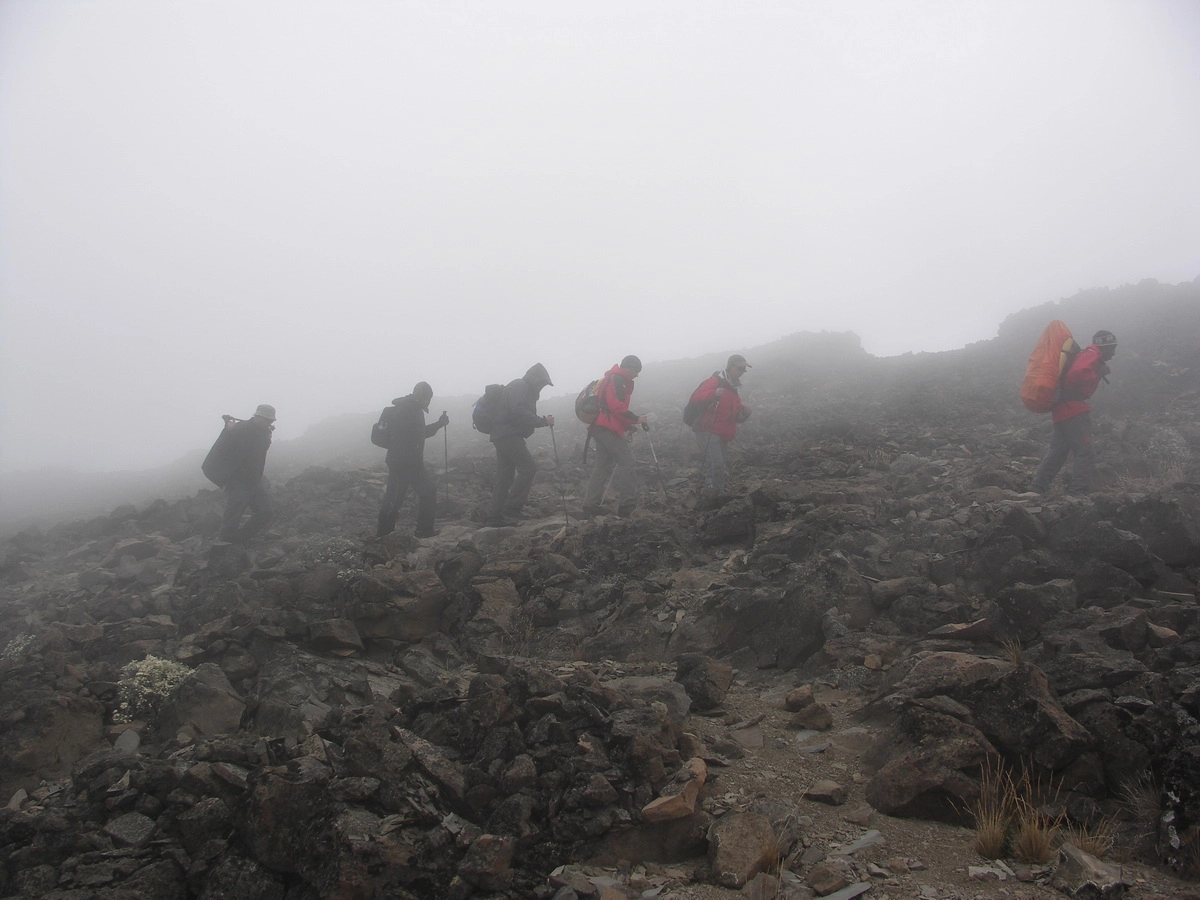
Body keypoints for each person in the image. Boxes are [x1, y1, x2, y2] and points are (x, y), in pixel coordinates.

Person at [1031, 330, 1117, 495]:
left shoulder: (1087, 354)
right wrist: (1098, 373)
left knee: (1059, 450)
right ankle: (1078, 492)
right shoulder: (1092, 355)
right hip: (1074, 410)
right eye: (1112, 348)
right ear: (1104, 346)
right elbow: (1077, 374)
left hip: (1061, 409)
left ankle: (1037, 488)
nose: (1113, 353)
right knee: (1085, 450)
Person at [376, 382, 449, 538]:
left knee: (427, 491)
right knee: (394, 499)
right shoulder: (406, 411)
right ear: (418, 397)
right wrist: (438, 424)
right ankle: (383, 535)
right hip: (402, 464)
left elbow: (418, 434)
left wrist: (438, 424)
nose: (428, 402)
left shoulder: (414, 410)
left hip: (412, 463)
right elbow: (411, 437)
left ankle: (424, 530)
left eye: (429, 398)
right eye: (426, 398)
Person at [487, 363, 555, 526]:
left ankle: (495, 516)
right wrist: (542, 421)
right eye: (542, 383)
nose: (542, 387)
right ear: (536, 379)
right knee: (528, 468)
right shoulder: (520, 386)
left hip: (502, 434)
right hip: (508, 435)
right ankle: (511, 508)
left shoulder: (522, 387)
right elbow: (517, 411)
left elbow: (519, 411)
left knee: (505, 476)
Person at [582, 355, 648, 517]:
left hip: (600, 428)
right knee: (627, 461)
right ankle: (627, 506)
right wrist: (635, 419)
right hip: (606, 429)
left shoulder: (615, 378)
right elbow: (615, 406)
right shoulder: (618, 378)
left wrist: (628, 425)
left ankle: (590, 506)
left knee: (601, 467)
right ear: (629, 367)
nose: (637, 375)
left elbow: (610, 408)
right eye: (636, 370)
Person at [688, 354, 752, 496]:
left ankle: (715, 492)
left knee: (718, 464)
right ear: (730, 367)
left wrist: (745, 412)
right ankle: (715, 494)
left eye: (744, 370)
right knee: (716, 463)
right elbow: (696, 396)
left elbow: (733, 415)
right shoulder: (715, 381)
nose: (742, 372)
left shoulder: (733, 388)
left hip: (722, 433)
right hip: (708, 430)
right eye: (740, 368)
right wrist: (713, 392)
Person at [217, 404, 276, 543]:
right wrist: (228, 431)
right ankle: (224, 549)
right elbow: (225, 449)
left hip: (254, 480)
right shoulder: (240, 429)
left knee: (265, 512)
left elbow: (258, 452)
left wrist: (267, 440)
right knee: (232, 519)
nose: (269, 423)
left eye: (271, 421)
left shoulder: (263, 432)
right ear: (258, 416)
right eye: (267, 420)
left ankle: (241, 540)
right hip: (237, 480)